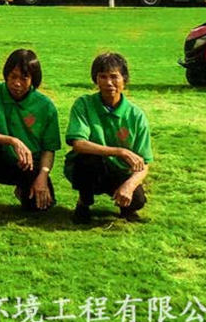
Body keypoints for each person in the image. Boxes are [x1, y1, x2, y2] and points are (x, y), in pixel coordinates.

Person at [0, 48, 60, 222]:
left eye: (24, 78)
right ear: (6, 75)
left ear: (33, 79)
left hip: (28, 164)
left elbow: (49, 148)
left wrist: (43, 176)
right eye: (13, 76)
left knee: (40, 208)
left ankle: (23, 188)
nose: (17, 83)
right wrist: (12, 141)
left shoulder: (45, 106)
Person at [65, 52, 152, 224]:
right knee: (87, 159)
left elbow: (145, 162)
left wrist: (129, 185)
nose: (108, 83)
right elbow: (78, 144)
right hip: (91, 168)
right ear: (96, 80)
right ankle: (84, 203)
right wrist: (120, 151)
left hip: (121, 171)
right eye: (102, 77)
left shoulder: (136, 115)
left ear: (124, 79)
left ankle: (125, 205)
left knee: (138, 200)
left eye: (114, 77)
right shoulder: (84, 104)